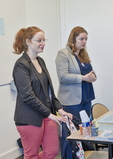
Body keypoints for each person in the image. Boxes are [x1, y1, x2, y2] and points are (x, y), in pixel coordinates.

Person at [12, 26, 73, 159]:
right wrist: (50, 115)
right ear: (28, 41)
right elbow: (27, 96)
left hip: (47, 115)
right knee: (31, 154)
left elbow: (49, 91)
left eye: (44, 40)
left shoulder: (40, 61)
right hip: (29, 118)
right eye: (39, 40)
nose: (43, 43)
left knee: (51, 152)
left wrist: (59, 109)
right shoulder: (21, 65)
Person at [55, 26, 96, 119]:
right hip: (71, 101)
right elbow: (62, 77)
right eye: (81, 39)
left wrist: (93, 77)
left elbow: (90, 71)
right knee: (75, 131)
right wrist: (83, 78)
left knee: (85, 129)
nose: (84, 42)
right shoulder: (63, 53)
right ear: (73, 39)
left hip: (86, 97)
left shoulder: (83, 54)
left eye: (86, 39)